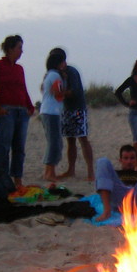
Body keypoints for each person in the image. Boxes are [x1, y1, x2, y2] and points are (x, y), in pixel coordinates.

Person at [0, 35, 34, 188]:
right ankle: (4, 179)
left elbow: (23, 90)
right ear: (10, 49)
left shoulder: (19, 69)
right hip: (6, 112)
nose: (21, 51)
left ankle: (17, 179)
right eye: (19, 48)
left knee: (19, 149)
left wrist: (30, 107)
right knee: (4, 148)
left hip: (21, 112)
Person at [49, 48, 95, 181]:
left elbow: (73, 91)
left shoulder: (71, 71)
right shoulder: (57, 74)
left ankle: (90, 171)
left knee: (82, 139)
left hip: (77, 109)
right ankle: (71, 170)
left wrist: (59, 93)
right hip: (66, 110)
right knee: (70, 140)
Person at [94, 145, 137, 222]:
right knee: (102, 161)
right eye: (126, 158)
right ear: (120, 160)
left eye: (132, 158)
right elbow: (104, 181)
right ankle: (107, 211)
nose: (129, 161)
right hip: (119, 200)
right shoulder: (115, 174)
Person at [40, 51, 66, 182]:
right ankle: (49, 172)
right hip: (51, 111)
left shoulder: (48, 75)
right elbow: (59, 93)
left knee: (54, 142)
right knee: (55, 143)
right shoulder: (55, 75)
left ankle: (49, 171)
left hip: (48, 111)